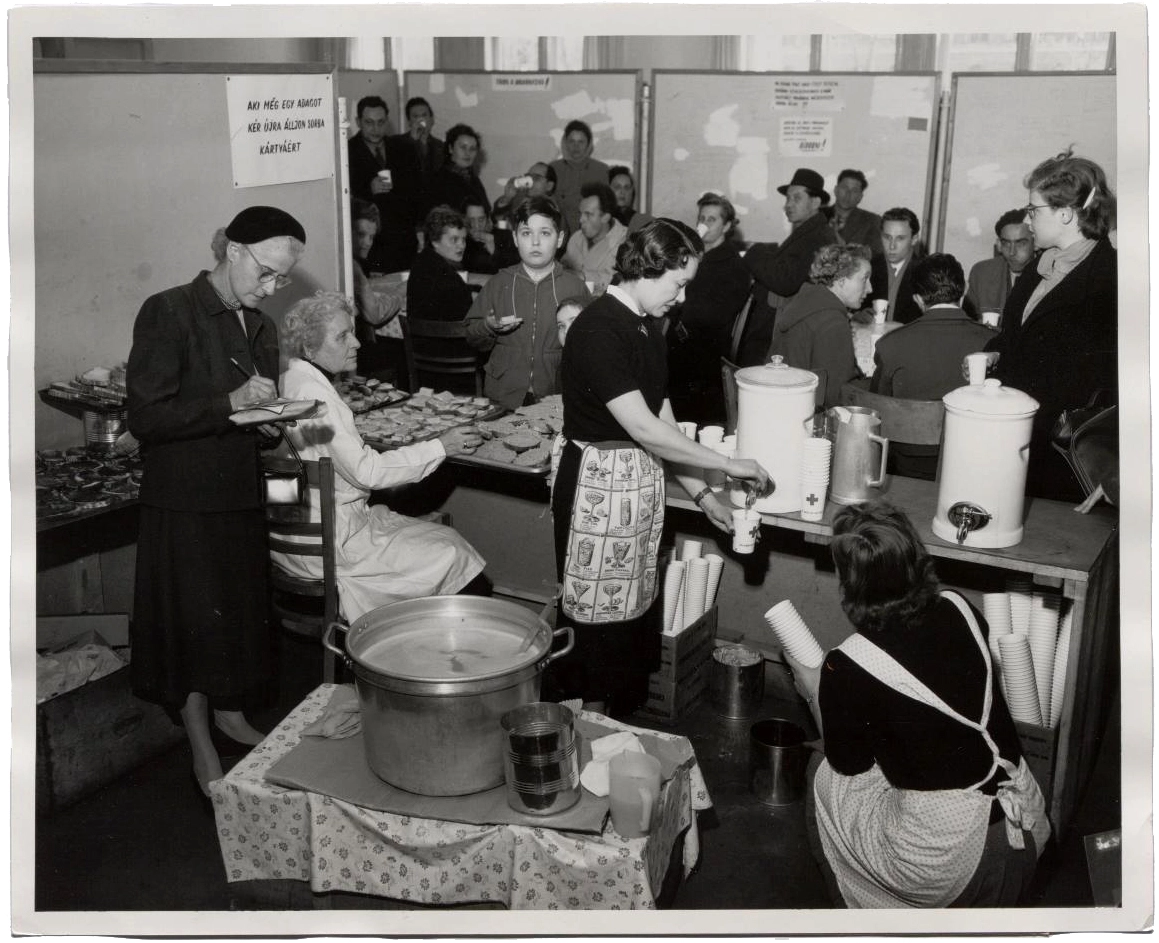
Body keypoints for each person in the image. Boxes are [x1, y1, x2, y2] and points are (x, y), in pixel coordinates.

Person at [550, 218, 770, 715]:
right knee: (594, 634)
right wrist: (728, 465)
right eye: (680, 283)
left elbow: (664, 421)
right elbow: (644, 429)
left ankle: (611, 731)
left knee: (628, 630)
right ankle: (584, 736)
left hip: (633, 497)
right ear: (648, 269)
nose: (684, 297)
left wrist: (702, 495)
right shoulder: (598, 328)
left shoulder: (647, 326)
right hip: (597, 495)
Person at [785, 501, 1049, 908]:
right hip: (1026, 821)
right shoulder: (962, 607)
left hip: (947, 860)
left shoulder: (849, 663)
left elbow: (850, 763)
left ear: (847, 581)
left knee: (822, 770)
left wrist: (813, 689)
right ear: (914, 557)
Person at [126, 206, 307, 799]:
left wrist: (273, 422)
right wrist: (230, 403)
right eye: (267, 272)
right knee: (193, 627)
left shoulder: (259, 325)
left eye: (283, 279)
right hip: (183, 500)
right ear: (232, 250)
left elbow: (254, 414)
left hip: (237, 493)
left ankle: (230, 716)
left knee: (236, 619)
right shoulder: (168, 310)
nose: (272, 288)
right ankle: (200, 738)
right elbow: (148, 417)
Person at [276, 292, 487, 621]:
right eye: (342, 336)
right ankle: (431, 653)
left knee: (440, 538)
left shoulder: (291, 380)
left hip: (297, 538)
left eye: (353, 332)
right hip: (332, 548)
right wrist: (442, 446)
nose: (357, 343)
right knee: (452, 551)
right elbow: (367, 473)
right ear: (309, 346)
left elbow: (319, 447)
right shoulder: (316, 397)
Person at [982, 149, 1117, 502]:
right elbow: (1019, 337)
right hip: (1017, 437)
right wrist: (993, 353)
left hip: (1059, 457)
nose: (1028, 221)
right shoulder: (1041, 264)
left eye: (1033, 210)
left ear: (1066, 214)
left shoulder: (1109, 277)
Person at [871, 253, 995, 479]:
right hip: (975, 461)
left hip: (907, 463)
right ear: (965, 289)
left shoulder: (890, 344)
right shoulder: (993, 342)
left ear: (918, 299)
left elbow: (878, 405)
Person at [464, 197, 589, 408]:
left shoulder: (575, 287)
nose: (535, 242)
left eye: (545, 233)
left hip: (555, 394)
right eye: (526, 233)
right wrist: (488, 326)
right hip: (503, 395)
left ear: (559, 239)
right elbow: (471, 335)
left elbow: (590, 349)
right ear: (515, 238)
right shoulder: (498, 283)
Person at [737, 167, 839, 367]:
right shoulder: (808, 232)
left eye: (796, 198)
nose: (788, 205)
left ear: (816, 202)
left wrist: (755, 252)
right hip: (773, 328)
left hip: (776, 333)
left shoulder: (817, 236)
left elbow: (786, 281)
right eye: (787, 198)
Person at [667, 192, 752, 425]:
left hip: (705, 352)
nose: (703, 224)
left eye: (712, 219)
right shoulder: (696, 256)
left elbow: (714, 315)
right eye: (701, 217)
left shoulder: (732, 265)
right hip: (685, 340)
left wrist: (678, 307)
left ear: (726, 226)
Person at [766, 244, 870, 410]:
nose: (870, 288)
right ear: (841, 281)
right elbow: (836, 396)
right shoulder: (833, 321)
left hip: (778, 403)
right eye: (864, 279)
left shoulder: (807, 301)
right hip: (802, 414)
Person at [347, 96, 421, 275]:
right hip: (371, 245)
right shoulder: (347, 151)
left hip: (404, 241)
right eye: (369, 122)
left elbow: (418, 191)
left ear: (387, 121)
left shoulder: (403, 148)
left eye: (380, 122)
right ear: (358, 122)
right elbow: (344, 198)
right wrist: (368, 189)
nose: (375, 129)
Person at [964, 209, 1036, 327]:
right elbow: (968, 324)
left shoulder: (1050, 274)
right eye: (1006, 243)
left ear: (1036, 242)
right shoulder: (981, 273)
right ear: (999, 245)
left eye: (1021, 243)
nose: (1012, 252)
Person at [406, 205, 475, 323]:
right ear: (435, 241)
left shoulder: (421, 263)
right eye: (454, 239)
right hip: (451, 338)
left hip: (420, 340)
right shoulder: (448, 277)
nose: (461, 245)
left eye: (463, 239)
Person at [562, 181, 628, 295]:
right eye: (581, 213)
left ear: (605, 217)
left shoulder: (624, 241)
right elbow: (563, 267)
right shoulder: (576, 238)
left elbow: (615, 282)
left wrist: (579, 276)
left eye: (588, 214)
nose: (581, 220)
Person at [550, 119, 610, 234]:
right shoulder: (554, 169)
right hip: (560, 234)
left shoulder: (601, 170)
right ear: (565, 143)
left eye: (581, 142)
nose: (575, 146)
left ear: (588, 144)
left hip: (592, 234)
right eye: (571, 141)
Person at [869, 207, 923, 325]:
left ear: (914, 239)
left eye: (900, 238)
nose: (892, 246)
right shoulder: (869, 268)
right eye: (887, 237)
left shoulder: (926, 274)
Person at [427, 123, 491, 219]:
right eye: (463, 147)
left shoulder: (473, 178)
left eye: (472, 149)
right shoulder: (439, 180)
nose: (468, 153)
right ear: (450, 148)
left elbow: (486, 213)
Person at [390, 96, 444, 208]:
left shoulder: (440, 146)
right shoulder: (396, 143)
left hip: (434, 206)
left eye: (424, 115)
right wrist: (412, 141)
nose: (421, 120)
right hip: (406, 207)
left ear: (431, 119)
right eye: (415, 117)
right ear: (409, 121)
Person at [823, 169, 882, 255]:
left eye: (854, 191)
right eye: (844, 188)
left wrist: (835, 235)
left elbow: (874, 255)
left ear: (860, 197)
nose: (848, 194)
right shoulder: (818, 215)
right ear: (836, 190)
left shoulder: (872, 221)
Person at [608, 166, 653, 233]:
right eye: (617, 187)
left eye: (627, 187)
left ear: (632, 192)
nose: (622, 192)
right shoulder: (602, 220)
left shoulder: (641, 222)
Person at [461, 195, 500, 274]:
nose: (476, 226)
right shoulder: (461, 242)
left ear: (488, 218)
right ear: (464, 219)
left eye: (481, 220)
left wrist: (494, 251)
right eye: (471, 220)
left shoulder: (502, 236)